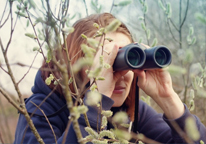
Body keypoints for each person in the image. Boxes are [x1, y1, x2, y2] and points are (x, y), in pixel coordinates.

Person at [14, 13, 206, 144]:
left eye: (127, 60)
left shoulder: (129, 111)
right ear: (75, 66)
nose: (121, 73)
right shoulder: (41, 111)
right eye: (105, 61)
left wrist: (168, 98)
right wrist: (95, 105)